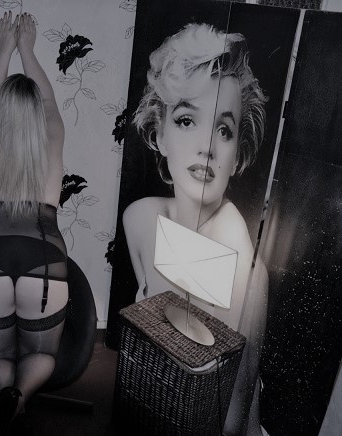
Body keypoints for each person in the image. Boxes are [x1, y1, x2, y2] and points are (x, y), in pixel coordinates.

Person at [123, 23, 269, 435]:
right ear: (159, 134)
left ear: (237, 153)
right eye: (187, 120)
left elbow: (232, 417)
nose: (207, 146)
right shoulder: (139, 220)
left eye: (224, 130)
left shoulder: (241, 265)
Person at [0, 11, 67, 435]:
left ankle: (7, 401)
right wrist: (27, 49)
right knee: (42, 355)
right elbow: (49, 102)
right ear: (37, 116)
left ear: (1, 114)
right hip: (43, 257)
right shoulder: (53, 138)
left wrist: (5, 48)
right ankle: (20, 397)